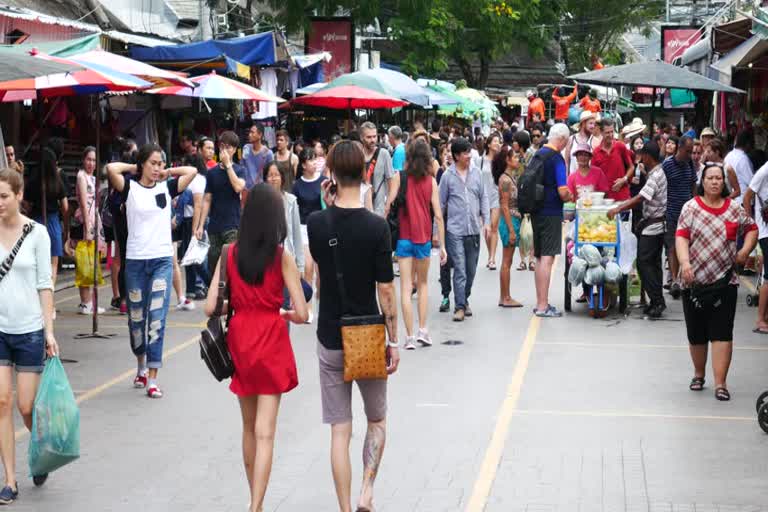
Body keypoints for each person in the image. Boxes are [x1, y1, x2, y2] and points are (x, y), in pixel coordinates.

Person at [306, 140, 400, 512]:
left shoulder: (316, 223)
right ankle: (366, 491)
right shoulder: (377, 228)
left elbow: (323, 257)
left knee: (339, 430)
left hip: (330, 335)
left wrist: (327, 204)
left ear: (330, 175)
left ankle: (345, 508)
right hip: (368, 338)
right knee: (376, 419)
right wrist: (394, 339)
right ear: (365, 174)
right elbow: (387, 290)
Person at [204, 184, 307, 512]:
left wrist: (236, 304)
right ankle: (255, 505)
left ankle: (255, 501)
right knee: (266, 432)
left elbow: (210, 306)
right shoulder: (281, 257)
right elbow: (303, 313)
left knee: (248, 428)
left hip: (240, 339)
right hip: (271, 338)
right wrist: (285, 312)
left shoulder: (230, 253)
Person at [107, 145, 197, 399]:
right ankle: (141, 366)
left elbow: (192, 171)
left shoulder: (167, 188)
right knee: (137, 319)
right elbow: (111, 169)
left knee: (156, 318)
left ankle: (153, 378)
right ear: (142, 164)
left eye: (161, 163)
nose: (158, 168)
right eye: (154, 163)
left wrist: (168, 171)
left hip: (161, 261)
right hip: (135, 262)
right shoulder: (129, 188)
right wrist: (133, 168)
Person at [0, 168, 59, 502]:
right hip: (0, 328)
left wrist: (49, 331)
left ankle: (39, 451)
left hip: (30, 331)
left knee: (25, 405)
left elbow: (44, 284)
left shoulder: (37, 233)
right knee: (1, 401)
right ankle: (10, 479)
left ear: (19, 195)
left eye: (5, 196)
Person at [676, 163, 757, 401]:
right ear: (703, 181)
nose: (714, 182)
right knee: (696, 332)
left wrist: (744, 251)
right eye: (710, 178)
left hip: (725, 282)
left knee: (722, 332)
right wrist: (685, 263)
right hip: (694, 282)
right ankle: (699, 374)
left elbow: (752, 228)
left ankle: (721, 383)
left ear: (724, 182)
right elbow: (681, 238)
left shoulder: (734, 209)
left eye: (718, 178)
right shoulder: (690, 208)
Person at [608, 142, 667, 317]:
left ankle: (657, 301)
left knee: (644, 263)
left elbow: (641, 198)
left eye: (642, 156)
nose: (640, 159)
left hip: (654, 226)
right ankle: (656, 301)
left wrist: (619, 208)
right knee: (653, 264)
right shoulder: (655, 173)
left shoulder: (656, 175)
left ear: (648, 156)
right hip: (653, 224)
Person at [397, 140, 446, 350]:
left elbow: (390, 203)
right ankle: (423, 330)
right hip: (423, 237)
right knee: (423, 284)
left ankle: (408, 337)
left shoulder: (401, 178)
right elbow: (438, 215)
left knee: (406, 287)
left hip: (403, 238)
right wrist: (442, 245)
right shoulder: (431, 181)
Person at [439, 137, 490, 322]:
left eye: (470, 152)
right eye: (466, 153)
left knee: (471, 270)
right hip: (455, 230)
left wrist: (486, 222)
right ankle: (459, 306)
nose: (469, 156)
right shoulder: (447, 176)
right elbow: (440, 205)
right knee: (459, 269)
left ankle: (465, 298)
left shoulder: (477, 173)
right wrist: (438, 232)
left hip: (473, 229)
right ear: (457, 156)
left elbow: (483, 197)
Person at [532, 123, 573, 317]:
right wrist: (572, 196)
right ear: (563, 139)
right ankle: (542, 306)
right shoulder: (556, 159)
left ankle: (540, 302)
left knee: (539, 257)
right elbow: (562, 191)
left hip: (536, 211)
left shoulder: (538, 154)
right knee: (547, 259)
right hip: (551, 212)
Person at [198, 131, 246, 278]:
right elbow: (206, 199)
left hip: (233, 224)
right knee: (214, 264)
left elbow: (238, 187)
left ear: (235, 149)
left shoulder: (240, 170)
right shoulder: (212, 173)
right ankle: (217, 295)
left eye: (230, 147)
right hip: (214, 226)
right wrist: (200, 226)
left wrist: (228, 166)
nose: (226, 150)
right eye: (224, 146)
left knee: (233, 263)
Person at [24, 141, 68, 294]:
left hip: (36, 220)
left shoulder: (32, 182)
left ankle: (37, 295)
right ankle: (49, 296)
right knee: (53, 262)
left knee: (36, 261)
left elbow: (27, 205)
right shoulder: (57, 181)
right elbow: (65, 206)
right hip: (53, 221)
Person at [293, 148, 326, 323]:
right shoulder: (297, 185)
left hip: (321, 227)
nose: (314, 163)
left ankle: (322, 302)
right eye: (311, 160)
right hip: (303, 228)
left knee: (321, 270)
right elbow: (294, 209)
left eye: (316, 159)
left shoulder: (324, 181)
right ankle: (308, 308)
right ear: (303, 164)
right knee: (307, 267)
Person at [663, 136, 696, 300]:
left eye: (691, 152)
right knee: (672, 247)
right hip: (672, 211)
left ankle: (685, 279)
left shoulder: (690, 163)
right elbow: (662, 187)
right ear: (679, 148)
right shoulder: (667, 165)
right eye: (687, 151)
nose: (690, 155)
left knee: (688, 247)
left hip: (689, 213)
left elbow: (693, 185)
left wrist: (696, 204)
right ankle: (675, 280)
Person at [74, 146, 105, 315]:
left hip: (94, 221)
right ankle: (86, 303)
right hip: (86, 221)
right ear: (83, 159)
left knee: (92, 262)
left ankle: (88, 302)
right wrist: (87, 227)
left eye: (94, 160)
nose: (91, 163)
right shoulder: (81, 176)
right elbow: (84, 205)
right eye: (89, 159)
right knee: (85, 263)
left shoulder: (92, 177)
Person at [494, 146, 524, 308]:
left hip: (512, 219)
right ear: (507, 160)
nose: (518, 160)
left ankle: (505, 296)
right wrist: (511, 229)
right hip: (509, 220)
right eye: (515, 157)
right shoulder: (505, 180)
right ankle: (505, 297)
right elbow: (504, 205)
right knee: (507, 260)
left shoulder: (510, 178)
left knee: (509, 260)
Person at [264, 161, 304, 274]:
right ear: (265, 178)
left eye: (276, 175)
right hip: (267, 260)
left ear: (282, 177)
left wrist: (300, 266)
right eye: (270, 175)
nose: (273, 178)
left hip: (288, 257)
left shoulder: (291, 201)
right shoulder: (260, 201)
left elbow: (297, 235)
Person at [179, 155, 209, 301]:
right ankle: (191, 289)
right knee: (187, 257)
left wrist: (195, 228)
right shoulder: (192, 180)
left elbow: (198, 206)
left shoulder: (198, 180)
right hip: (187, 221)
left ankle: (209, 283)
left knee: (197, 258)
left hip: (194, 221)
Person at [743, 160, 768, 333]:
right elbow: (747, 196)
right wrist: (750, 223)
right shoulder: (764, 170)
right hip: (766, 231)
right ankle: (760, 320)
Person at [360, 122, 398, 217]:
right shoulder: (357, 155)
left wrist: (387, 206)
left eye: (374, 136)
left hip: (379, 211)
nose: (372, 140)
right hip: (360, 210)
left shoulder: (384, 154)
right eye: (369, 137)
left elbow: (392, 184)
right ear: (361, 138)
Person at [591, 118, 634, 202]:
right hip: (605, 201)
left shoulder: (620, 146)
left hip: (623, 197)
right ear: (601, 132)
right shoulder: (596, 152)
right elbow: (594, 177)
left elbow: (631, 167)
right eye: (607, 132)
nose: (611, 135)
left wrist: (624, 179)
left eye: (612, 132)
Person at [480, 132, 502, 270]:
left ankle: (492, 258)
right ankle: (490, 254)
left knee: (494, 227)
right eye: (494, 141)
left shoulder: (501, 161)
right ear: (488, 144)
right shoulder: (480, 160)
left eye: (498, 141)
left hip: (496, 196)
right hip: (483, 197)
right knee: (487, 229)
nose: (497, 143)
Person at [723, 130, 754, 205]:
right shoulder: (743, 159)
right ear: (748, 144)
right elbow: (752, 182)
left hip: (733, 200)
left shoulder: (728, 155)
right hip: (742, 201)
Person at [242, 122, 274, 192]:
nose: (249, 135)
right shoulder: (246, 148)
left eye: (252, 132)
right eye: (249, 132)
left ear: (260, 135)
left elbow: (271, 172)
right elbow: (243, 166)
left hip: (261, 191)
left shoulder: (268, 153)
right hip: (247, 189)